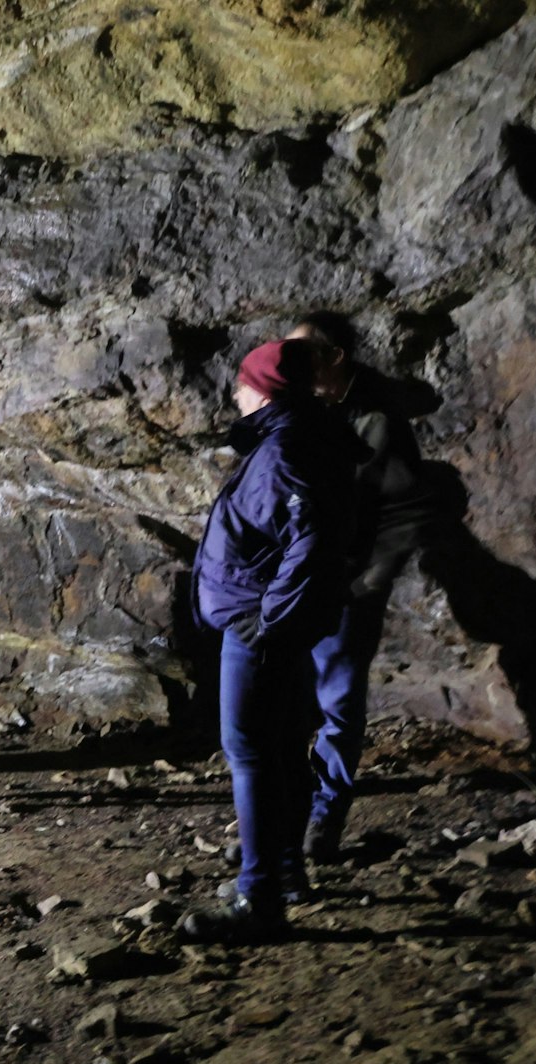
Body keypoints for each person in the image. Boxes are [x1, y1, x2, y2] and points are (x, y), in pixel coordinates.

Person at [181, 339, 359, 944]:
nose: (235, 393)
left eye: (242, 382)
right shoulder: (300, 438)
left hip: (260, 627)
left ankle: (257, 899)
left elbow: (311, 539)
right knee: (280, 747)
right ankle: (286, 872)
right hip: (272, 621)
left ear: (264, 388)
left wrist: (269, 618)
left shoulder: (284, 448)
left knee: (249, 750)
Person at [286, 314, 433, 861]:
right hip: (297, 581)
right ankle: (281, 820)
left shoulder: (378, 421)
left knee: (337, 703)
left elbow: (406, 505)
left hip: (344, 588)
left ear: (335, 357)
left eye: (302, 353)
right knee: (288, 700)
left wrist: (368, 582)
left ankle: (324, 817)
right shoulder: (303, 407)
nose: (289, 362)